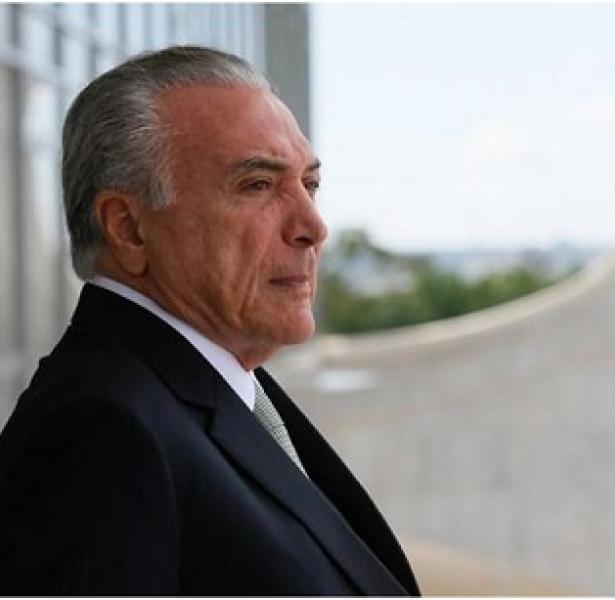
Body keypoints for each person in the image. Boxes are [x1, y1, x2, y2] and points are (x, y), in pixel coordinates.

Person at [0, 46, 420, 596]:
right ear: (128, 228)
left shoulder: (216, 386)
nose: (313, 227)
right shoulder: (100, 431)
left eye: (310, 185)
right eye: (258, 185)